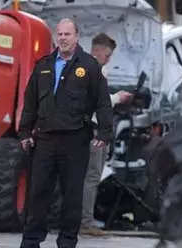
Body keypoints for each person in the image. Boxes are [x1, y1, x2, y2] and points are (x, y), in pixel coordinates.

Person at [19, 19, 113, 248]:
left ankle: (67, 242)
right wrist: (24, 132)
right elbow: (30, 101)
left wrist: (104, 131)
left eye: (67, 34)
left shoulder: (89, 66)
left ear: (77, 36)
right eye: (59, 34)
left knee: (71, 195)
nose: (62, 38)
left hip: (75, 140)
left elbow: (102, 102)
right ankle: (31, 241)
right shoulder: (43, 65)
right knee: (38, 192)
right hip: (46, 139)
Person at [81, 32, 132, 236]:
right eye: (107, 55)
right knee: (92, 177)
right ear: (96, 51)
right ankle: (86, 223)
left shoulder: (93, 69)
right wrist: (117, 98)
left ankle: (82, 220)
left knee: (88, 176)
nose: (109, 60)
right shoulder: (93, 71)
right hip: (93, 131)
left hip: (94, 129)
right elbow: (95, 102)